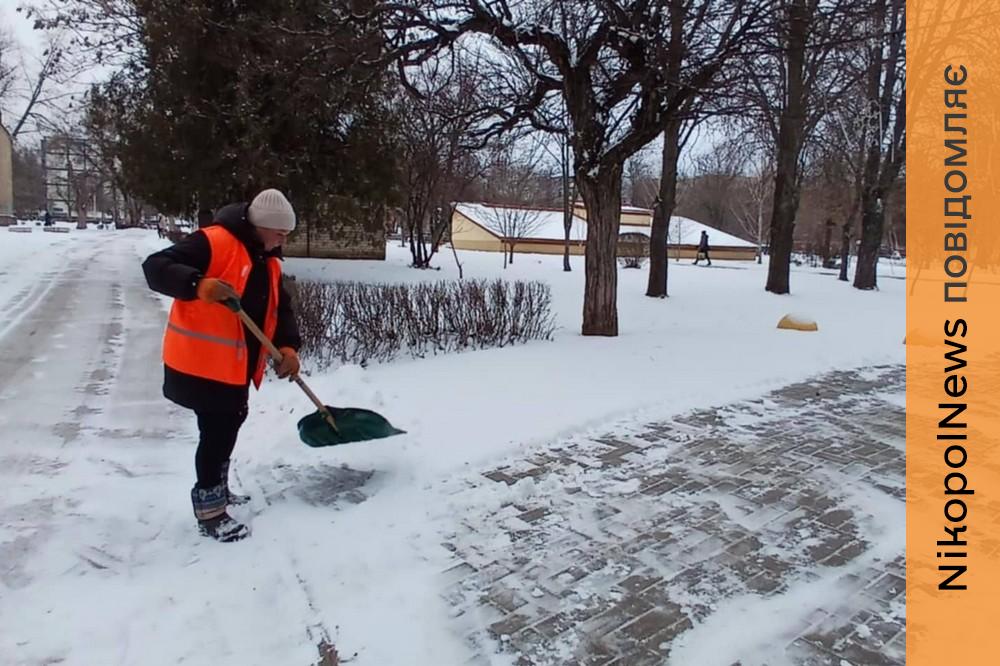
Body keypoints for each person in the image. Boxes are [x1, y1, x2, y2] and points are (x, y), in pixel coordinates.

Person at [142, 189, 302, 542]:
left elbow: (281, 309)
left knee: (229, 424)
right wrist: (197, 285)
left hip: (234, 365)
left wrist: (288, 347)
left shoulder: (269, 261)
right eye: (280, 233)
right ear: (261, 226)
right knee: (217, 432)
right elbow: (155, 267)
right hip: (202, 363)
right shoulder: (213, 242)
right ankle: (210, 511)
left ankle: (218, 489)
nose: (283, 240)